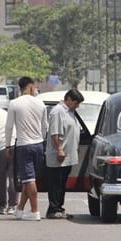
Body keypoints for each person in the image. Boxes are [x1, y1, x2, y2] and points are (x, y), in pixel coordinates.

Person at [5, 76, 48, 221]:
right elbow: (44, 126)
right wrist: (41, 140)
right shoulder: (40, 104)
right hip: (38, 144)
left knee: (29, 179)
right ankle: (20, 209)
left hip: (24, 144)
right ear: (31, 87)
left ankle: (35, 211)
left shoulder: (14, 104)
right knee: (28, 179)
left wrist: (8, 144)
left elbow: (9, 126)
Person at [45, 88, 84, 219]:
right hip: (59, 155)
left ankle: (59, 208)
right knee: (55, 184)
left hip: (67, 156)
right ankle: (53, 209)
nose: (77, 106)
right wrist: (59, 149)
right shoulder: (58, 112)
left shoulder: (70, 111)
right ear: (68, 99)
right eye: (75, 103)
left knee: (62, 184)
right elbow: (54, 133)